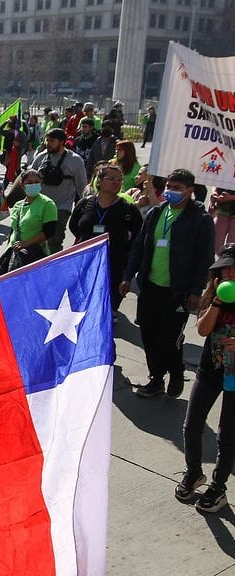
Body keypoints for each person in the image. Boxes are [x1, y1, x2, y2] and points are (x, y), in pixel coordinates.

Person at [121, 168, 215, 399]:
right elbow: (139, 248)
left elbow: (205, 259)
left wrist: (196, 291)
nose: (171, 192)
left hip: (178, 291)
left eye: (177, 188)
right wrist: (127, 276)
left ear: (190, 191)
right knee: (149, 334)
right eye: (169, 187)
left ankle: (174, 371)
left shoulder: (200, 220)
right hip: (151, 286)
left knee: (168, 339)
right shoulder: (156, 213)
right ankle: (156, 377)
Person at [175, 246, 235, 513]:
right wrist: (218, 302)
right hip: (209, 370)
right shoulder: (214, 295)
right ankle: (193, 472)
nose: (230, 273)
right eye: (226, 268)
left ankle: (218, 487)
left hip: (234, 377)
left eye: (234, 268)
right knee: (191, 425)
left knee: (227, 435)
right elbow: (202, 330)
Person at [69, 164, 143, 311]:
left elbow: (138, 238)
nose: (117, 182)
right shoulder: (85, 204)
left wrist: (127, 270)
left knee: (103, 309)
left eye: (120, 179)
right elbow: (74, 227)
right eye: (112, 179)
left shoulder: (128, 209)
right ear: (99, 181)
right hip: (85, 264)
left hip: (113, 267)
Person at [30, 128, 87, 253]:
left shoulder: (75, 160)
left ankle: (54, 266)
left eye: (52, 141)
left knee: (54, 240)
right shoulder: (41, 157)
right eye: (47, 140)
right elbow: (28, 178)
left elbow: (82, 187)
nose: (48, 144)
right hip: (40, 205)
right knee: (35, 239)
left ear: (62, 142)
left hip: (62, 206)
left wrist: (86, 207)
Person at [0, 170, 57, 275]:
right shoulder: (18, 205)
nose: (33, 185)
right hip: (14, 254)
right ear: (22, 185)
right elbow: (14, 229)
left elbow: (49, 232)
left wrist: (25, 244)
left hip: (33, 255)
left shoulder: (47, 204)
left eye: (36, 182)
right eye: (29, 182)